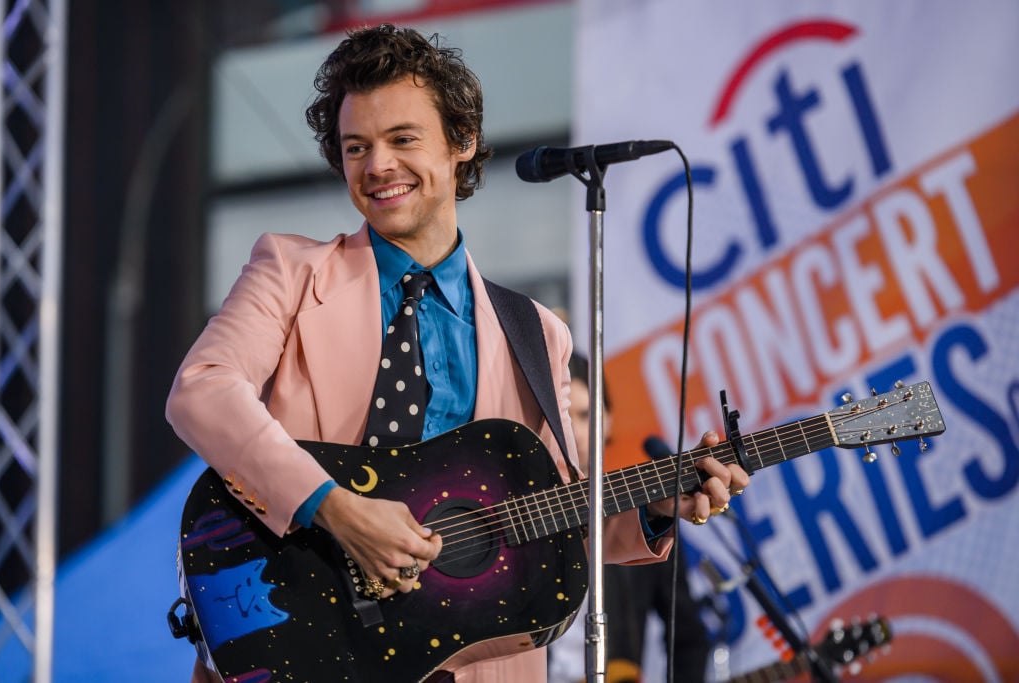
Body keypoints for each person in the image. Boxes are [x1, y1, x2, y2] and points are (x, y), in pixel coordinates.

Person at [165, 24, 748, 683]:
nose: (377, 165)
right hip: (302, 647)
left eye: (402, 139)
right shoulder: (288, 270)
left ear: (462, 143)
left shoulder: (536, 332)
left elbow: (551, 516)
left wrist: (654, 507)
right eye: (357, 147)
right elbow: (201, 390)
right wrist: (333, 504)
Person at [548, 353, 712, 683]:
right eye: (565, 416)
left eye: (586, 415)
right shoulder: (521, 511)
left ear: (607, 420)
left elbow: (688, 638)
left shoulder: (646, 516)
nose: (577, 432)